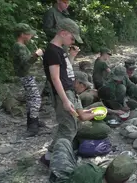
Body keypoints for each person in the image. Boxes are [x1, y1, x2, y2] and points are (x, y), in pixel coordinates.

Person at [40, 18, 101, 167]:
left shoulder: (60, 50)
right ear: (62, 32)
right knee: (68, 129)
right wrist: (66, 101)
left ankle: (50, 156)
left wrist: (72, 56)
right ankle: (53, 158)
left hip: (70, 91)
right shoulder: (52, 51)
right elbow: (55, 78)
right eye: (72, 37)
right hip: (64, 94)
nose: (72, 41)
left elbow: (65, 71)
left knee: (69, 126)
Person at [46, 138, 136, 183]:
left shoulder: (88, 171)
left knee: (63, 142)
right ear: (125, 181)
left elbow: (73, 175)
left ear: (107, 167)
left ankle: (50, 169)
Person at [12, 23, 44, 136]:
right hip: (26, 76)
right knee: (35, 99)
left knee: (32, 98)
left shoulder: (21, 46)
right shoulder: (19, 46)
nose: (31, 36)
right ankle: (32, 126)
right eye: (29, 34)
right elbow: (25, 63)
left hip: (27, 76)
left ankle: (32, 121)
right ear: (22, 35)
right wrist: (35, 55)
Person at [42, 0, 71, 97]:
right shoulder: (51, 12)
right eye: (65, 2)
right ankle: (49, 90)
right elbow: (47, 29)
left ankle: (62, 86)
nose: (67, 5)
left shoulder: (64, 14)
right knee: (54, 68)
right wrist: (61, 34)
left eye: (68, 3)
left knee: (64, 66)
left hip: (63, 44)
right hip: (55, 45)